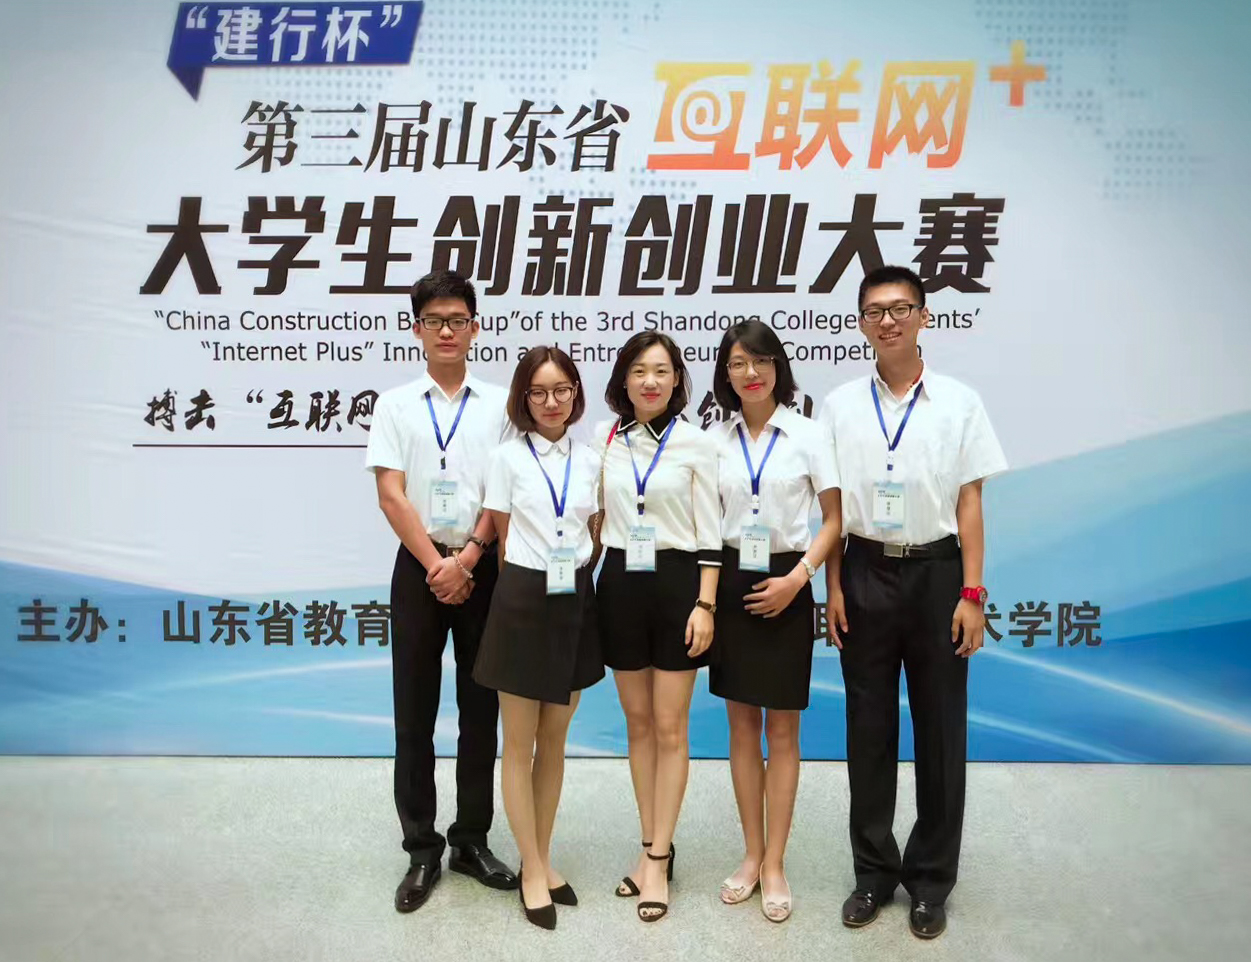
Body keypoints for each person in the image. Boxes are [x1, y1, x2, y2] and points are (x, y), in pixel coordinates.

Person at [818, 265, 1007, 940]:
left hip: (937, 573)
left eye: (900, 308)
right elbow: (832, 509)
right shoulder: (840, 406)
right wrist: (833, 588)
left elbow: (970, 502)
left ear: (924, 316)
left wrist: (972, 593)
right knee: (867, 730)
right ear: (861, 324)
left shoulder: (959, 402)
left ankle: (930, 881)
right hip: (864, 570)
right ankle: (873, 873)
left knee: (940, 730)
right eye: (874, 311)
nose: (888, 320)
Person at [365, 269, 518, 913]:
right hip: (420, 567)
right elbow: (391, 494)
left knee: (481, 713)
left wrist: (470, 559)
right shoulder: (395, 405)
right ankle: (422, 848)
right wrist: (438, 566)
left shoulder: (501, 406)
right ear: (417, 329)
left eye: (458, 320)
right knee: (415, 714)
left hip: (484, 569)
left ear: (475, 327)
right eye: (434, 321)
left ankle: (471, 841)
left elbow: (503, 493)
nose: (447, 331)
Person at [708, 320, 842, 923]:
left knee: (783, 730)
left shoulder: (809, 434)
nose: (751, 373)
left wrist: (799, 579)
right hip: (733, 581)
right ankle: (751, 853)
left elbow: (835, 520)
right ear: (726, 374)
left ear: (778, 367)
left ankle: (777, 864)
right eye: (738, 363)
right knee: (741, 728)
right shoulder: (714, 439)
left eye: (761, 361)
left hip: (789, 579)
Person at [473, 346, 605, 930]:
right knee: (519, 743)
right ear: (523, 398)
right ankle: (530, 867)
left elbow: (593, 529)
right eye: (539, 392)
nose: (552, 402)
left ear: (576, 393)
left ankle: (543, 857)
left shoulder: (592, 459)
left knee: (555, 741)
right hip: (523, 597)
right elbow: (503, 542)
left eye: (562, 390)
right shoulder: (505, 458)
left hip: (574, 595)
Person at [594, 331, 720, 923]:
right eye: (640, 370)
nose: (650, 381)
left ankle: (660, 856)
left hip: (677, 584)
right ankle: (650, 845)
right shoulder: (605, 439)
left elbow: (710, 532)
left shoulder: (696, 443)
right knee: (638, 724)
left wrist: (706, 605)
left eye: (662, 371)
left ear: (677, 381)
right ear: (624, 379)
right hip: (620, 582)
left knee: (670, 727)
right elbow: (594, 516)